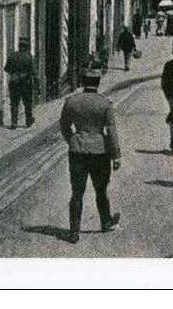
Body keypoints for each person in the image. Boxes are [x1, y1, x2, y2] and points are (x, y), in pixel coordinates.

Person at [59, 68, 121, 244]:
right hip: (100, 151)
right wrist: (116, 155)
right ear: (98, 83)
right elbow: (111, 131)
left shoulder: (72, 101)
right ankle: (106, 222)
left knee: (76, 192)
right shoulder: (105, 103)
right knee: (101, 190)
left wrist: (73, 140)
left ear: (83, 82)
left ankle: (73, 231)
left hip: (77, 151)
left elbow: (64, 126)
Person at [4, 38, 36, 129]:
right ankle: (28, 121)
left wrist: (15, 74)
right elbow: (33, 72)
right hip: (26, 83)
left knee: (14, 103)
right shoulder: (29, 57)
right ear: (26, 47)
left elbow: (6, 69)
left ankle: (14, 123)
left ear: (19, 46)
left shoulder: (12, 56)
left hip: (14, 83)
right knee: (27, 103)